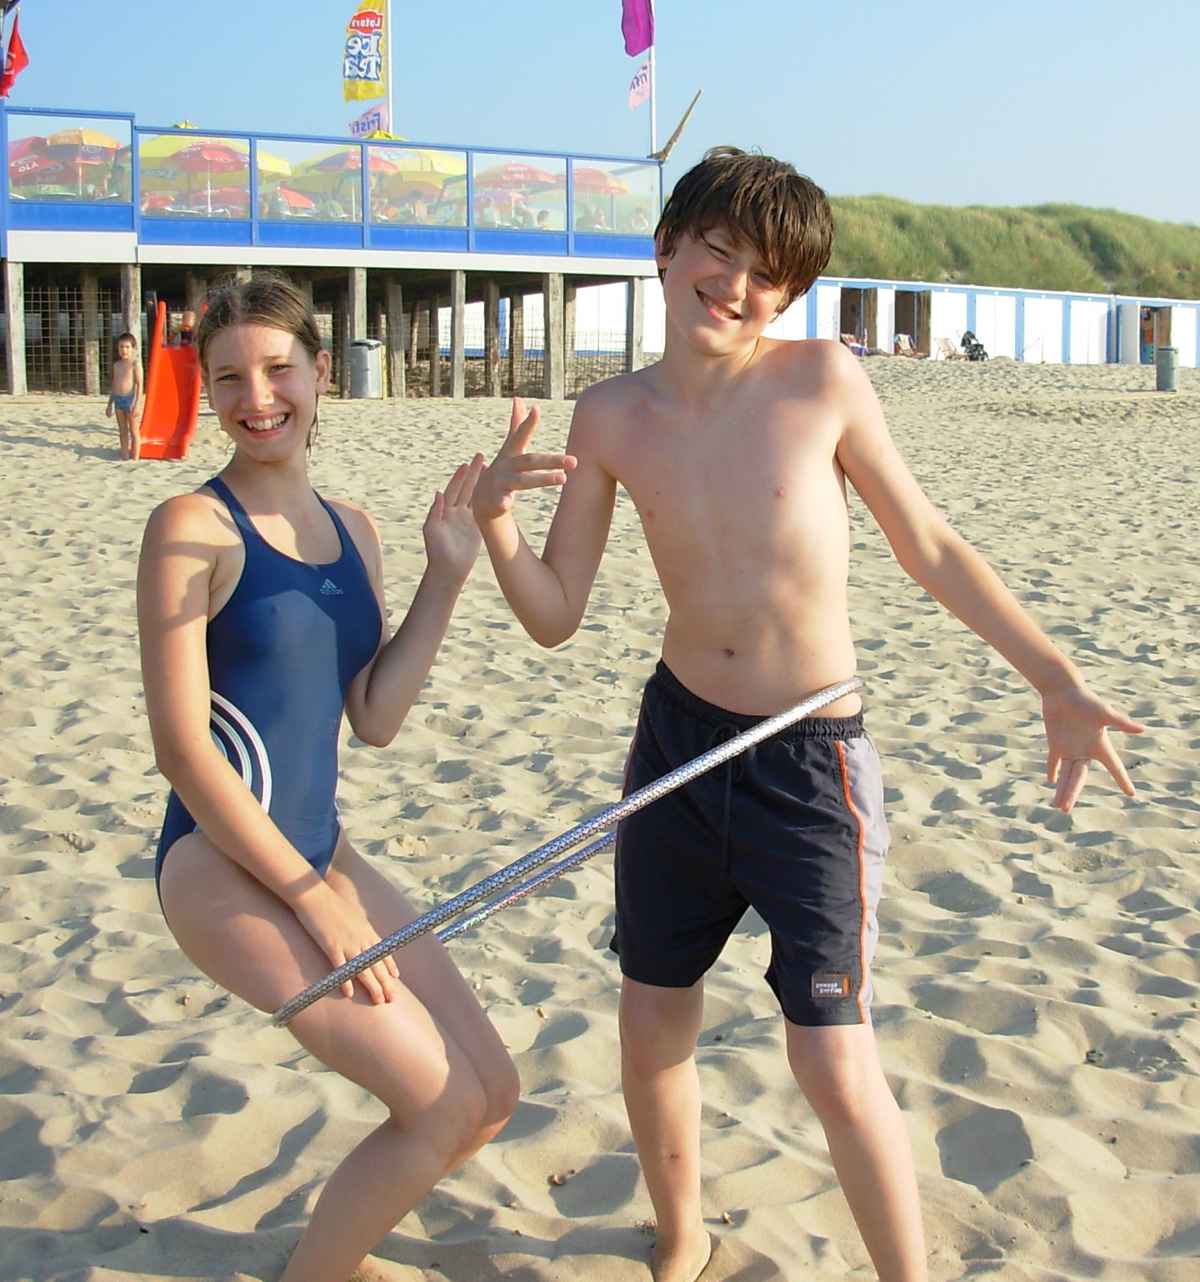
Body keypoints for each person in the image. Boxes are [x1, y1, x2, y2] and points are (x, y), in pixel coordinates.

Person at [468, 146, 1145, 1282]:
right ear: (666, 248)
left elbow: (928, 545)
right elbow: (556, 613)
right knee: (651, 1021)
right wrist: (495, 526)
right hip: (679, 748)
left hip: (809, 760)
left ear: (788, 296)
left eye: (768, 274)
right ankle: (682, 1235)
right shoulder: (611, 415)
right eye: (718, 250)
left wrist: (1054, 676)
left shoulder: (820, 379)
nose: (735, 285)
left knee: (831, 1055)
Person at [137, 274, 516, 1282]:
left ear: (320, 373)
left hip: (321, 850)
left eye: (279, 369)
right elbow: (182, 749)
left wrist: (447, 574)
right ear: (207, 389)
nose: (258, 398)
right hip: (219, 863)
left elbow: (375, 716)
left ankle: (332, 1255)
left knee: (491, 1093)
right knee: (438, 1103)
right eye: (229, 378)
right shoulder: (191, 526)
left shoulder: (356, 529)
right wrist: (314, 901)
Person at [106, 331, 143, 460]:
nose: (124, 350)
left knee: (134, 431)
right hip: (118, 400)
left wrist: (137, 404)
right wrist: (109, 404)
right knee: (122, 431)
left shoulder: (135, 364)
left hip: (130, 399)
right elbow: (114, 385)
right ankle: (124, 455)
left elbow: (139, 385)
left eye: (127, 347)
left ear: (133, 348)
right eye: (121, 347)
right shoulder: (117, 365)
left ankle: (135, 457)